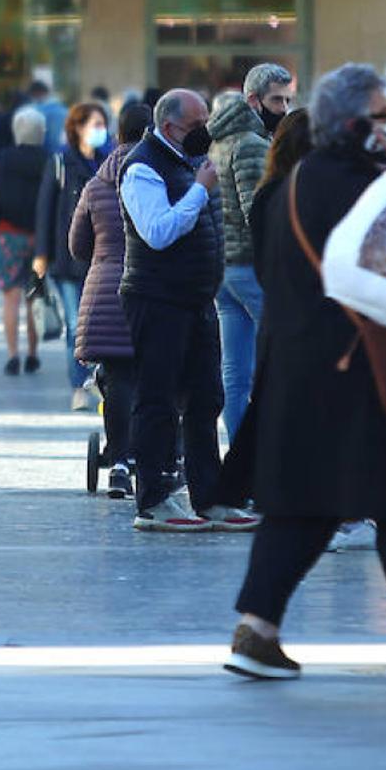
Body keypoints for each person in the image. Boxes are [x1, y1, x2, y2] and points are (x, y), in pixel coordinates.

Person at [222, 63, 386, 681]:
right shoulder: (368, 187)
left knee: (302, 508)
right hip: (365, 371)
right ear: (358, 125)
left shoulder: (288, 186)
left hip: (303, 371)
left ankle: (256, 629)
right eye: (383, 117)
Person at [120, 89, 255, 534]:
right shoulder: (143, 165)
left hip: (196, 297)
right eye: (199, 124)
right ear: (173, 126)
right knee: (157, 399)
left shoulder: (185, 160)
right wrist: (200, 190)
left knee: (207, 398)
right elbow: (158, 232)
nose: (207, 131)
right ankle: (155, 498)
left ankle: (209, 496)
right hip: (157, 297)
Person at [208, 63, 296, 445]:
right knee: (283, 358)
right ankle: (264, 456)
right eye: (277, 100)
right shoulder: (251, 144)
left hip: (224, 269)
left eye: (288, 99)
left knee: (236, 372)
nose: (285, 108)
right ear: (252, 100)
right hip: (249, 267)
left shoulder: (220, 139)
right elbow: (256, 212)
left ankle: (240, 458)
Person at [69, 101, 151, 500]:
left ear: (117, 132)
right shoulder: (160, 175)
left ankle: (118, 463)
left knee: (117, 377)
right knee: (156, 377)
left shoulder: (96, 182)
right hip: (151, 287)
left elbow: (76, 245)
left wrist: (103, 258)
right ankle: (153, 458)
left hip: (105, 288)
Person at [33, 102, 108, 409]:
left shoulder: (109, 160)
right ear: (77, 128)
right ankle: (79, 385)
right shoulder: (60, 162)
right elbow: (45, 209)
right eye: (95, 124)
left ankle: (102, 383)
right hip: (67, 259)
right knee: (77, 326)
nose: (100, 131)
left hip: (103, 258)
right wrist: (41, 253)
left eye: (103, 124)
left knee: (103, 326)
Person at [0, 107, 48, 375]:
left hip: (7, 235)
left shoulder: (1, 160)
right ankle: (33, 354)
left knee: (11, 297)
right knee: (34, 297)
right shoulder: (50, 160)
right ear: (41, 133)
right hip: (40, 238)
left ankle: (13, 354)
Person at [26, 80, 67, 152]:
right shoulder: (64, 110)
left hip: (45, 154)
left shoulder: (36, 111)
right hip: (64, 153)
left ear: (35, 94)